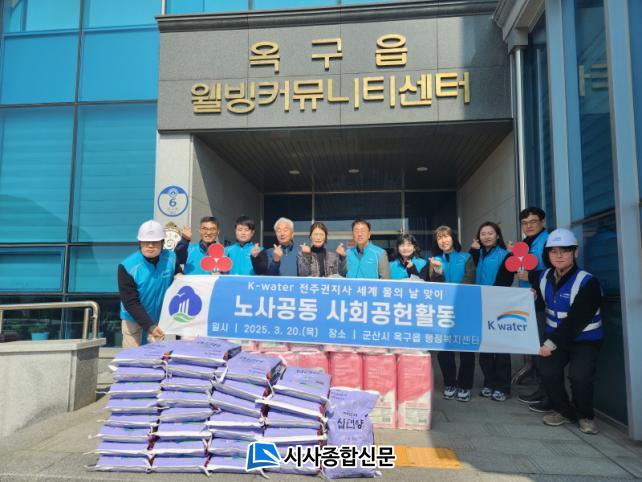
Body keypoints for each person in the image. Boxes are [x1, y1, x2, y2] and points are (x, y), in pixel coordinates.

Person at [530, 228, 603, 435]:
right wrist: (531, 298)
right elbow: (540, 304)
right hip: (555, 336)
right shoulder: (543, 277)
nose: (559, 255)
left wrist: (550, 343)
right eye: (554, 251)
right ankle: (564, 411)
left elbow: (576, 320)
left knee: (580, 377)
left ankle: (585, 416)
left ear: (575, 252)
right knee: (548, 372)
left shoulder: (588, 282)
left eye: (565, 251)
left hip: (585, 339)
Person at [420, 225, 475, 402]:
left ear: (453, 238)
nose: (443, 240)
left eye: (446, 236)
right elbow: (435, 287)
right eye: (439, 238)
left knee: (466, 348)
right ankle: (450, 383)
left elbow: (469, 280)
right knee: (444, 350)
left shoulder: (466, 257)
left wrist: (456, 298)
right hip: (442, 311)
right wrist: (438, 271)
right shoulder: (434, 260)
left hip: (464, 308)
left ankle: (465, 385)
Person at [469, 221, 514, 402]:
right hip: (479, 305)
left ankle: (502, 387)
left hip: (499, 305)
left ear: (497, 236)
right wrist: (473, 251)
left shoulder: (505, 254)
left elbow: (506, 280)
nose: (486, 236)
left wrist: (492, 297)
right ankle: (489, 382)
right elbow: (470, 274)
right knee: (485, 347)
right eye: (483, 234)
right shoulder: (477, 254)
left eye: (490, 233)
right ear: (478, 237)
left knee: (501, 348)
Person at [118, 220, 180, 348]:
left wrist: (180, 276)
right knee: (132, 356)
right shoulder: (127, 266)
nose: (150, 246)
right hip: (133, 318)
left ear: (162, 243)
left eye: (155, 242)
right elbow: (130, 302)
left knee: (155, 355)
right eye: (146, 242)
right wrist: (149, 326)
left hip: (159, 318)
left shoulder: (171, 258)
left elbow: (178, 275)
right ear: (140, 243)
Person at [514, 207, 550, 407]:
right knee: (536, 346)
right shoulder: (526, 243)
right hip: (528, 302)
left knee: (544, 348)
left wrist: (531, 276)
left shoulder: (548, 242)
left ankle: (548, 395)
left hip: (544, 304)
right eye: (525, 223)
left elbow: (556, 271)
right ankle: (542, 390)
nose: (528, 226)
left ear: (543, 222)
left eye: (533, 222)